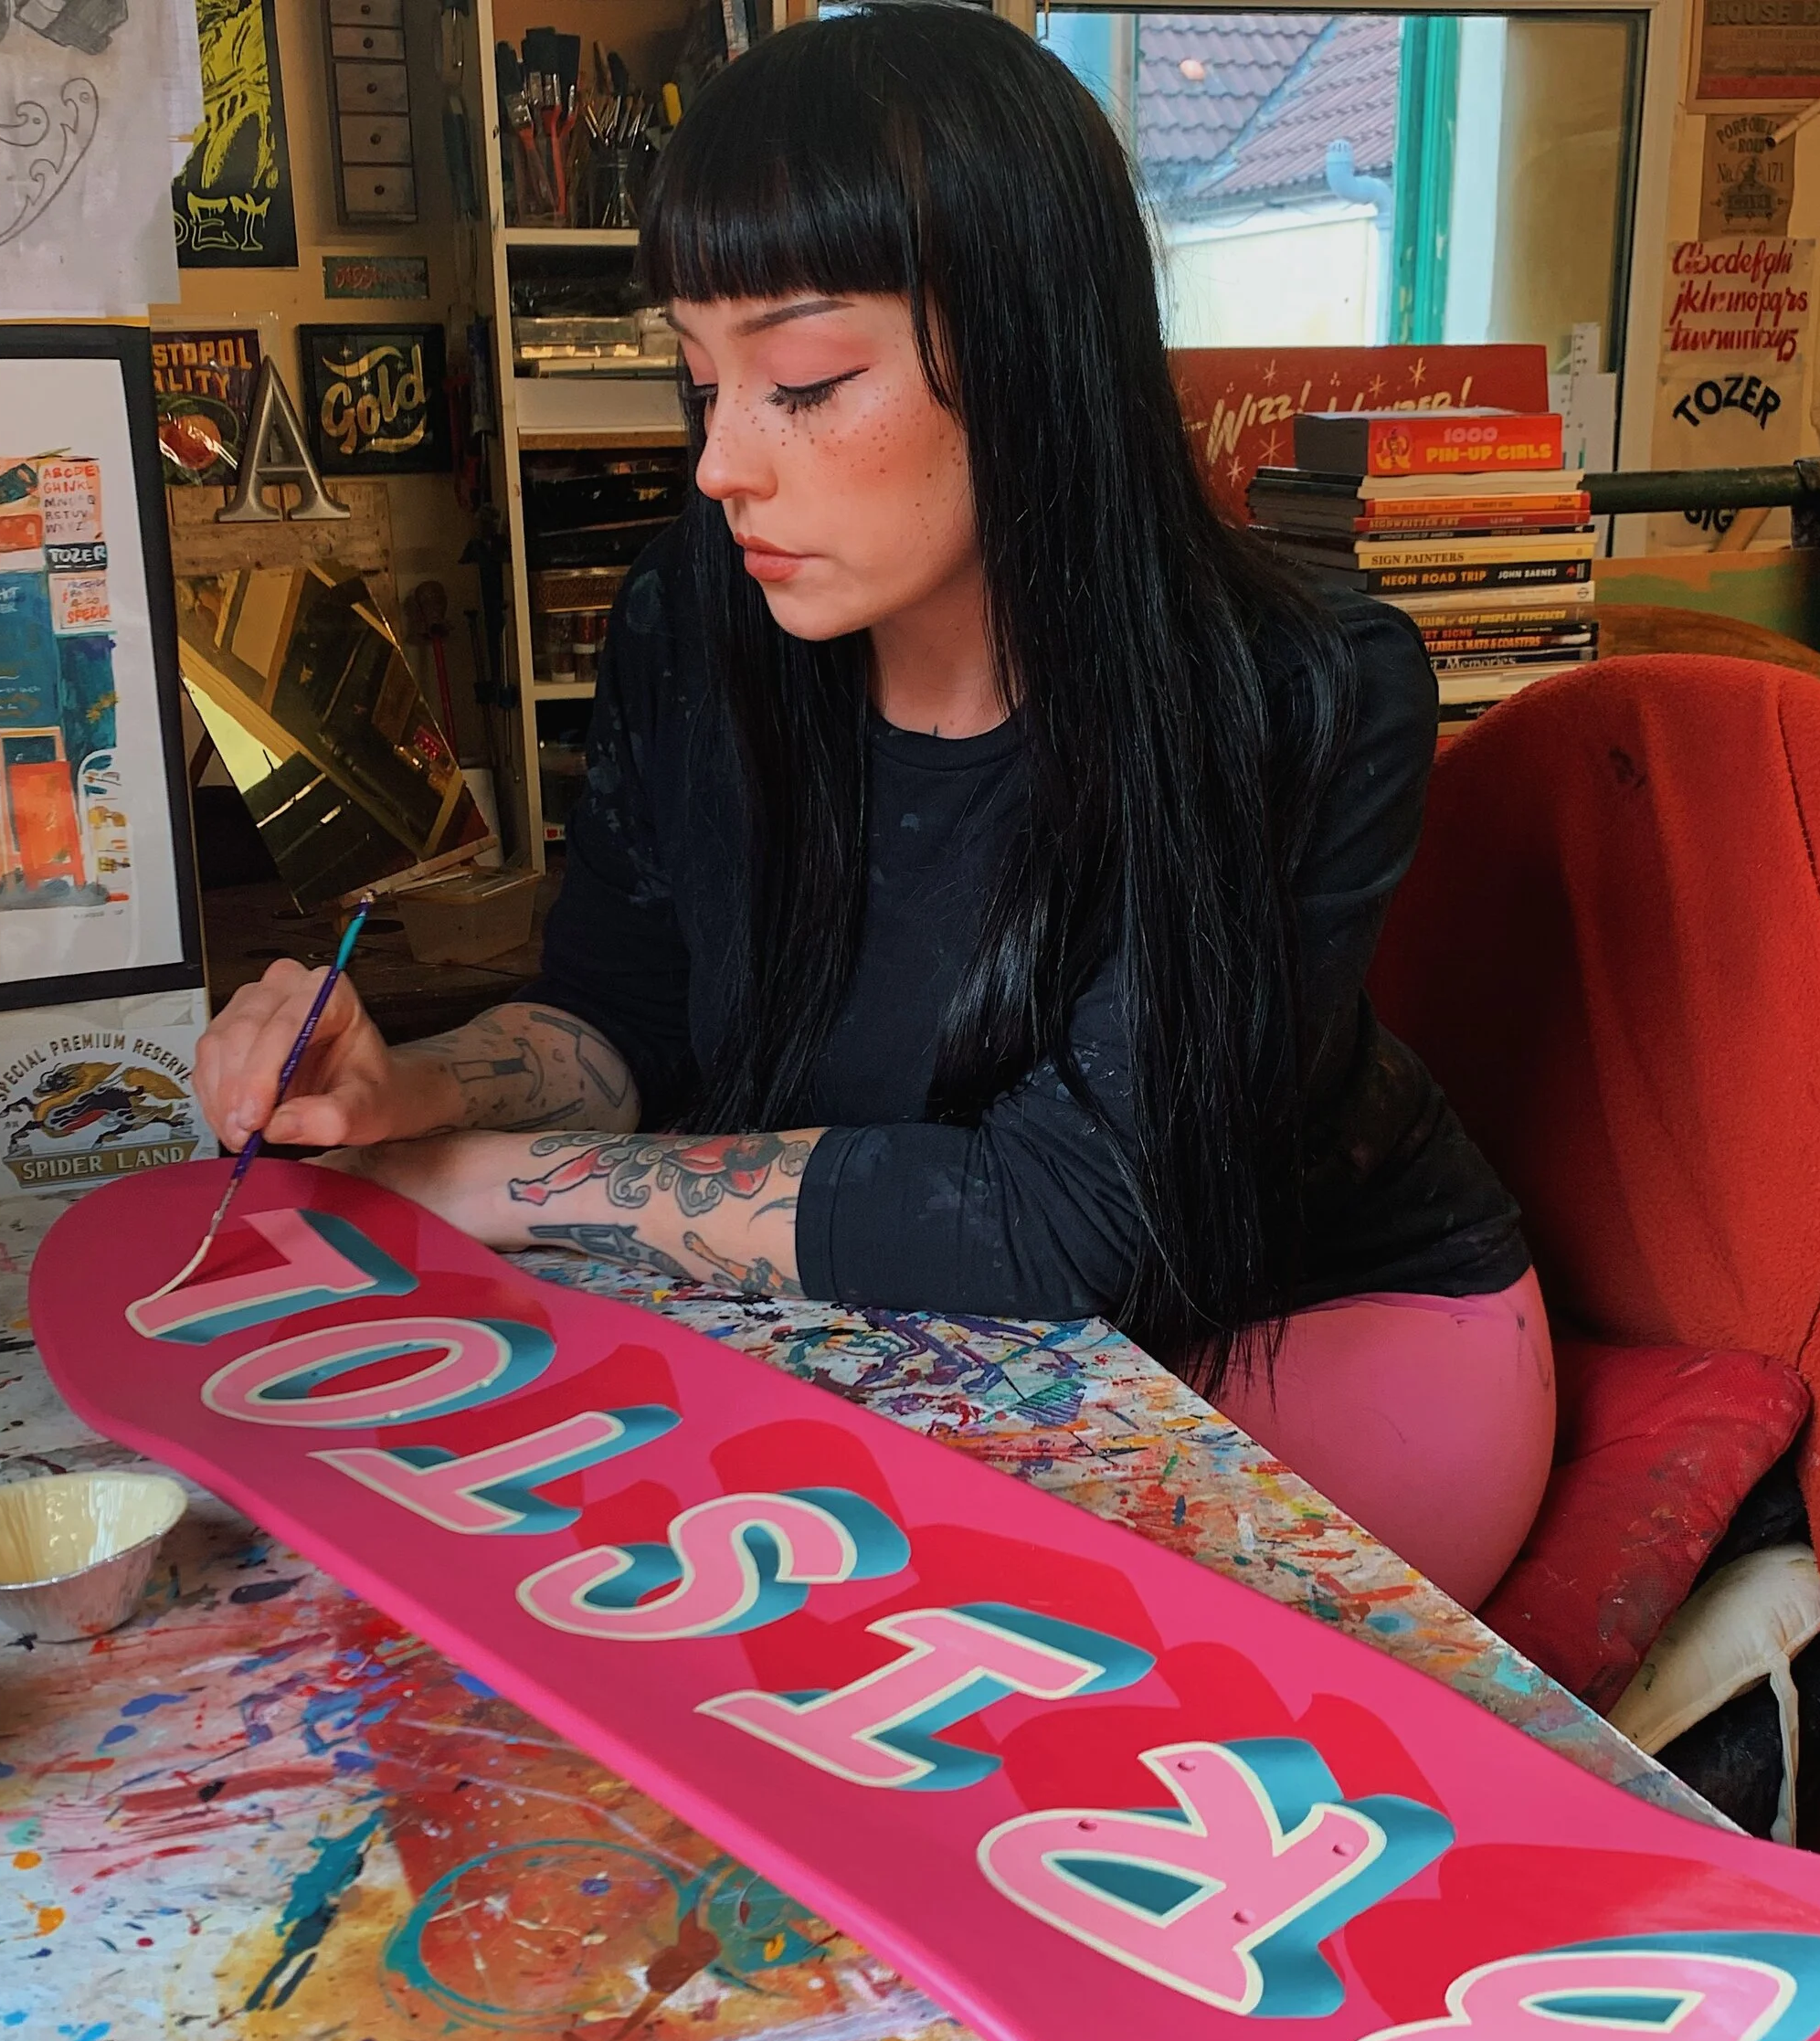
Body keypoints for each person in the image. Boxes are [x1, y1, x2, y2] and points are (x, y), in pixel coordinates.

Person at [193, 4, 1554, 1609]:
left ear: (1033, 347)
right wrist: (407, 1087)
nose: (721, 463)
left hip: (1324, 1352)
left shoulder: (1299, 692)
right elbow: (621, 1029)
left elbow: (1070, 1223)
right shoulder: (699, 626)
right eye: (700, 380)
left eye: (804, 381)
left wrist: (471, 1179)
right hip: (935, 1339)